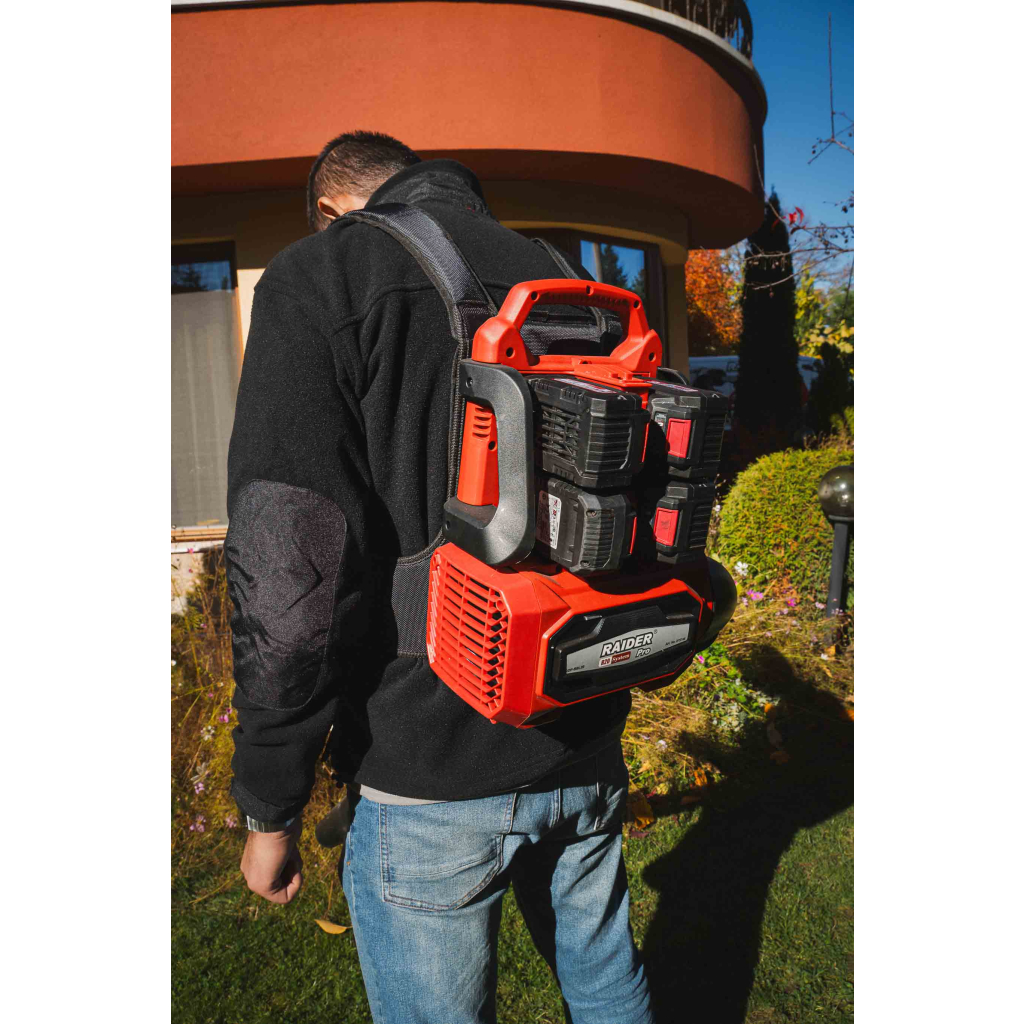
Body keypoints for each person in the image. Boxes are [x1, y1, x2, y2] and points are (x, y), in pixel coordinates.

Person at [227, 130, 654, 1024]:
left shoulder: (324, 274)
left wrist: (271, 804)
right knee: (608, 986)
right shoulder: (564, 275)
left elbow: (288, 580)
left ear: (333, 209)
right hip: (582, 727)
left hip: (429, 770)